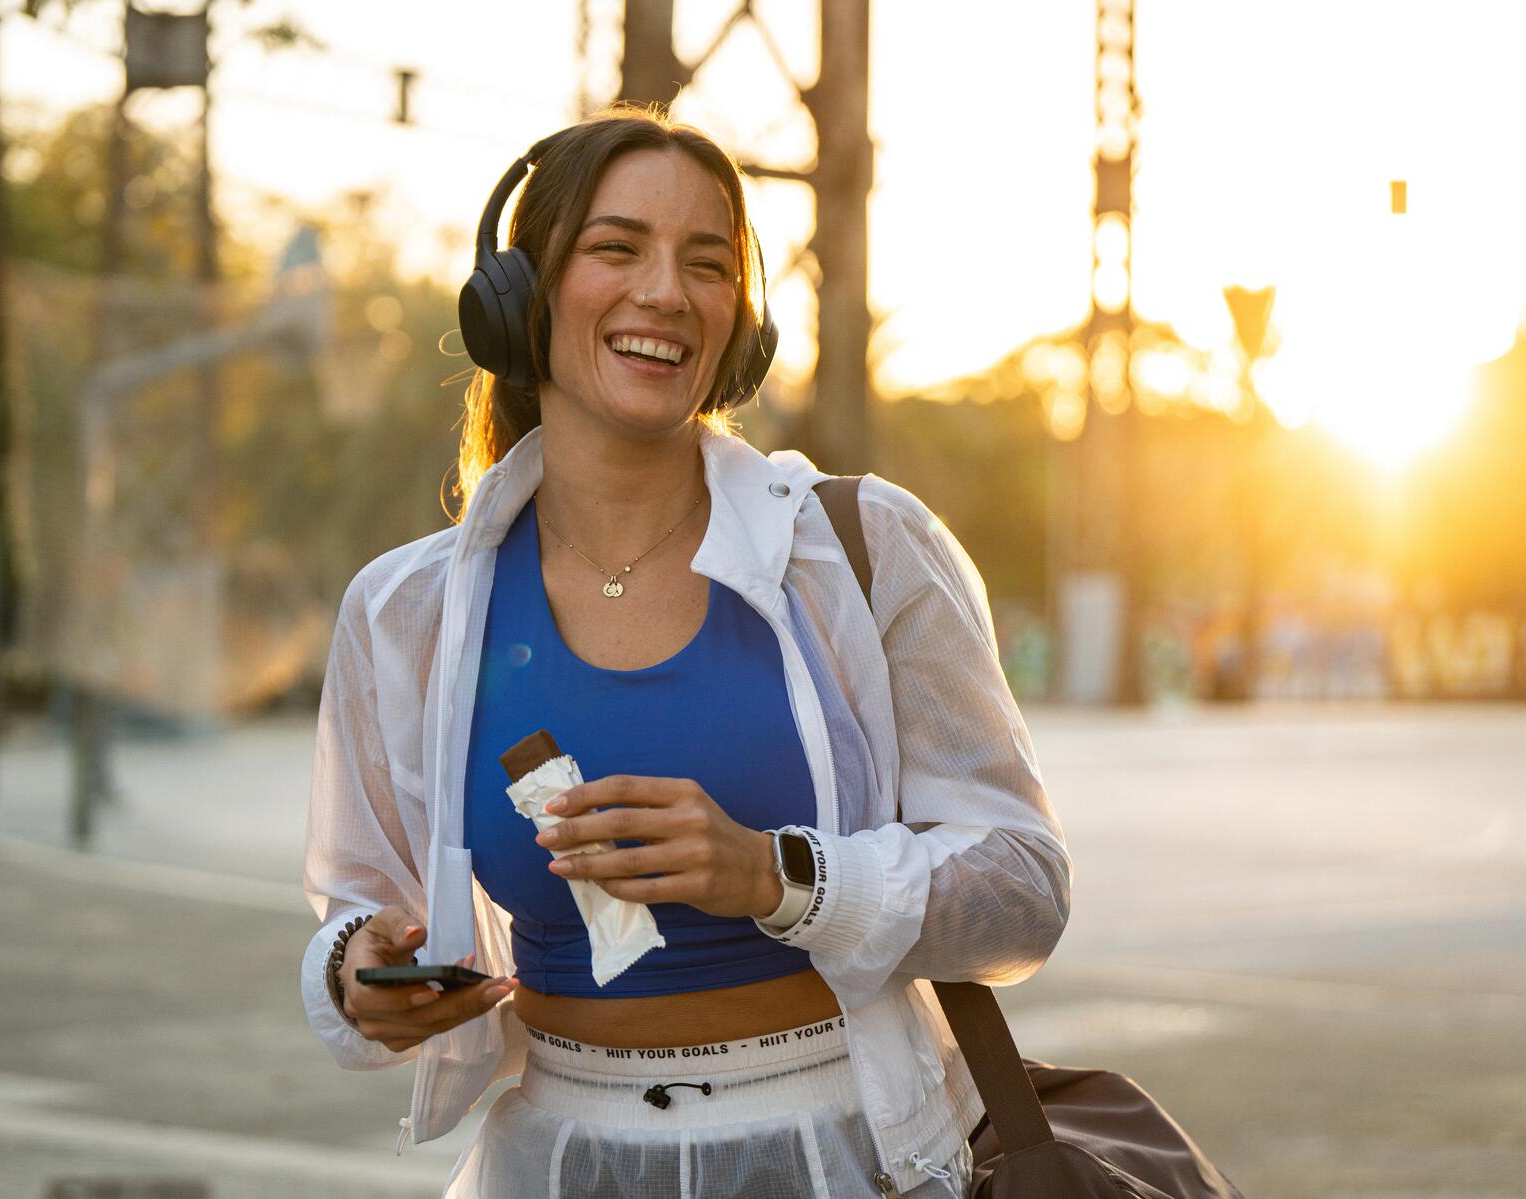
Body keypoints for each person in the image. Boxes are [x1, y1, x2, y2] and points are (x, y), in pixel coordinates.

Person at [300, 106, 1071, 1199]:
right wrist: (358, 976)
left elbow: (1023, 888)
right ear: (518, 301)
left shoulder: (862, 546)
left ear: (739, 324)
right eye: (616, 248)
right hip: (553, 1161)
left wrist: (777, 874)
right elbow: (352, 906)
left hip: (843, 1152)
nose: (664, 291)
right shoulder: (407, 609)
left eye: (707, 264)